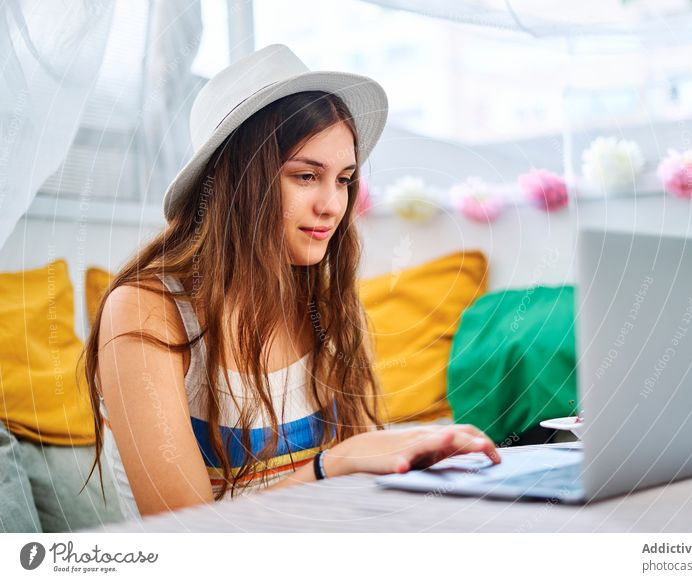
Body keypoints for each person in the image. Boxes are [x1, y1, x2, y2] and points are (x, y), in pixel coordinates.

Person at [83, 44, 500, 520]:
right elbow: (188, 535)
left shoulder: (329, 308)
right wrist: (333, 463)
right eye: (306, 176)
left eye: (344, 180)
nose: (332, 205)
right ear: (236, 182)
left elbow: (365, 488)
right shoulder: (146, 311)